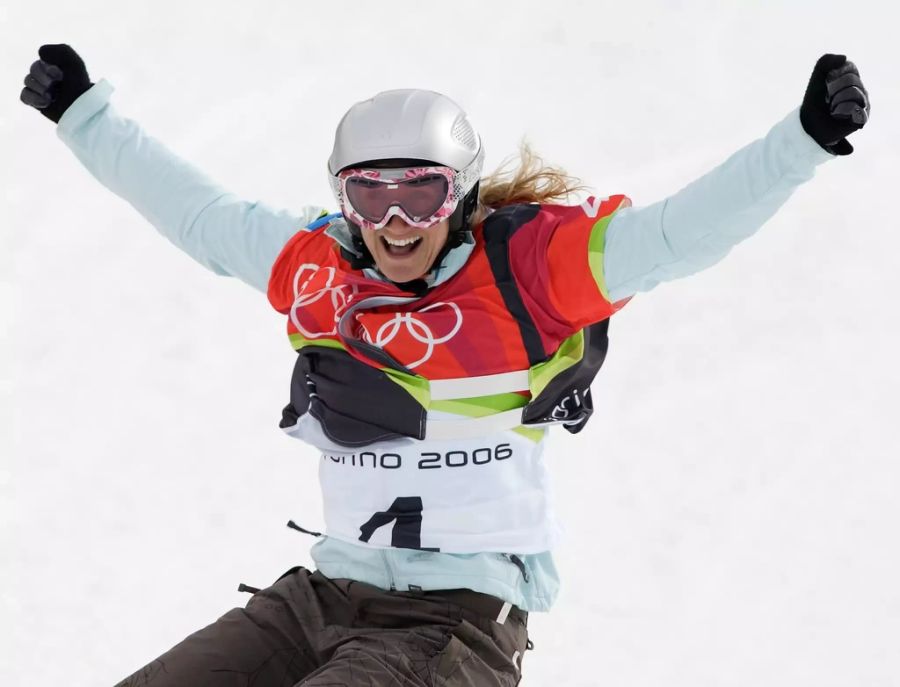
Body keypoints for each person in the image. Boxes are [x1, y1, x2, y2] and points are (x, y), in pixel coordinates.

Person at [20, 44, 870, 686]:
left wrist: (801, 142)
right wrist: (84, 116)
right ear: (343, 196)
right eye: (369, 194)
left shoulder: (533, 278)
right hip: (320, 596)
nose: (394, 220)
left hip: (452, 627)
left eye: (418, 192)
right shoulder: (318, 270)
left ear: (458, 190)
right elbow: (196, 210)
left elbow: (681, 232)